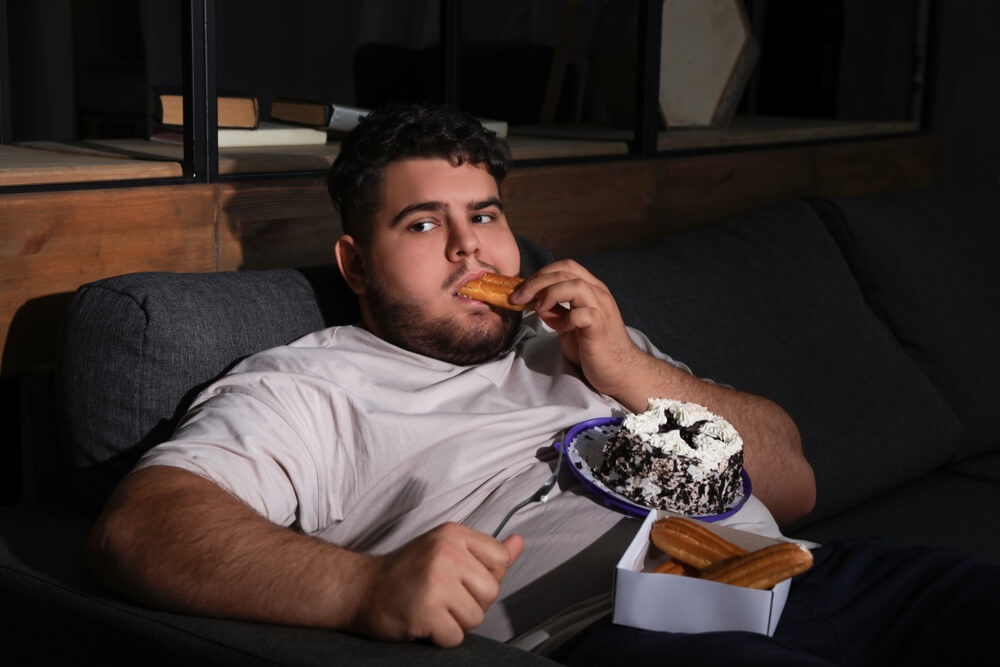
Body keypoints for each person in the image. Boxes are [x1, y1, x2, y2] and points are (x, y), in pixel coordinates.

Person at [87, 104, 995, 664]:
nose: (468, 247)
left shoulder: (584, 342)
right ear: (356, 263)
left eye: (483, 214)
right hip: (624, 632)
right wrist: (360, 589)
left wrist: (628, 368)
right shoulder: (317, 384)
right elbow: (144, 524)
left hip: (805, 575)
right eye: (422, 223)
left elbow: (792, 479)